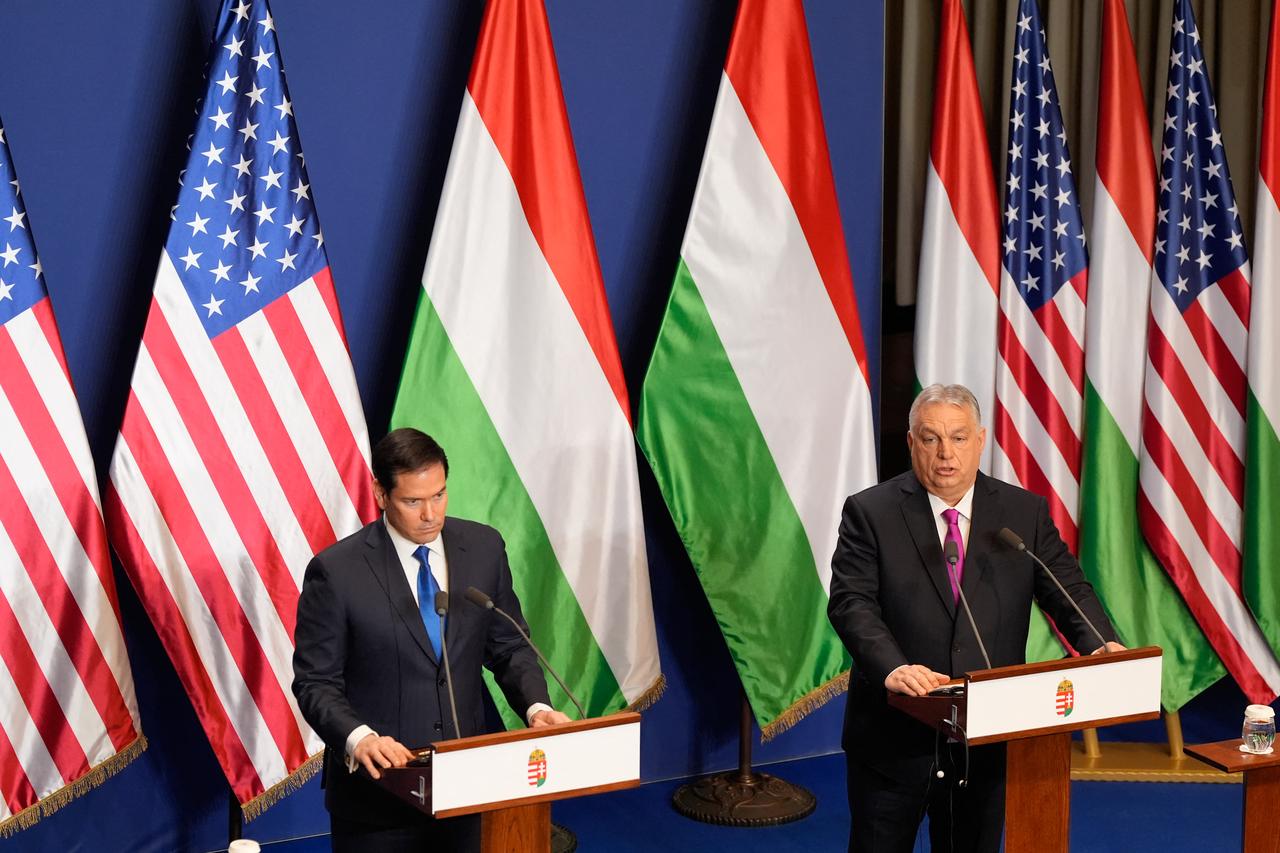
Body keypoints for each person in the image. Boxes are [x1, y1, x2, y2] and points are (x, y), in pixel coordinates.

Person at [827, 384, 1122, 853]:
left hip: (986, 734)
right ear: (911, 442)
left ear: (980, 440)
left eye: (959, 438)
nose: (946, 453)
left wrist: (1101, 645)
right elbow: (851, 602)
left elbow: (1066, 589)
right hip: (895, 734)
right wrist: (892, 667)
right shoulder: (871, 512)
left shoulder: (1022, 512)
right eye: (931, 438)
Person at [293, 428, 570, 852]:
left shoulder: (483, 548)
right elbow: (315, 682)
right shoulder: (337, 572)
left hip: (468, 788)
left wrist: (537, 707)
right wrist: (359, 738)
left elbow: (509, 646)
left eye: (439, 495)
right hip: (378, 799)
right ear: (381, 494)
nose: (430, 514)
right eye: (413, 501)